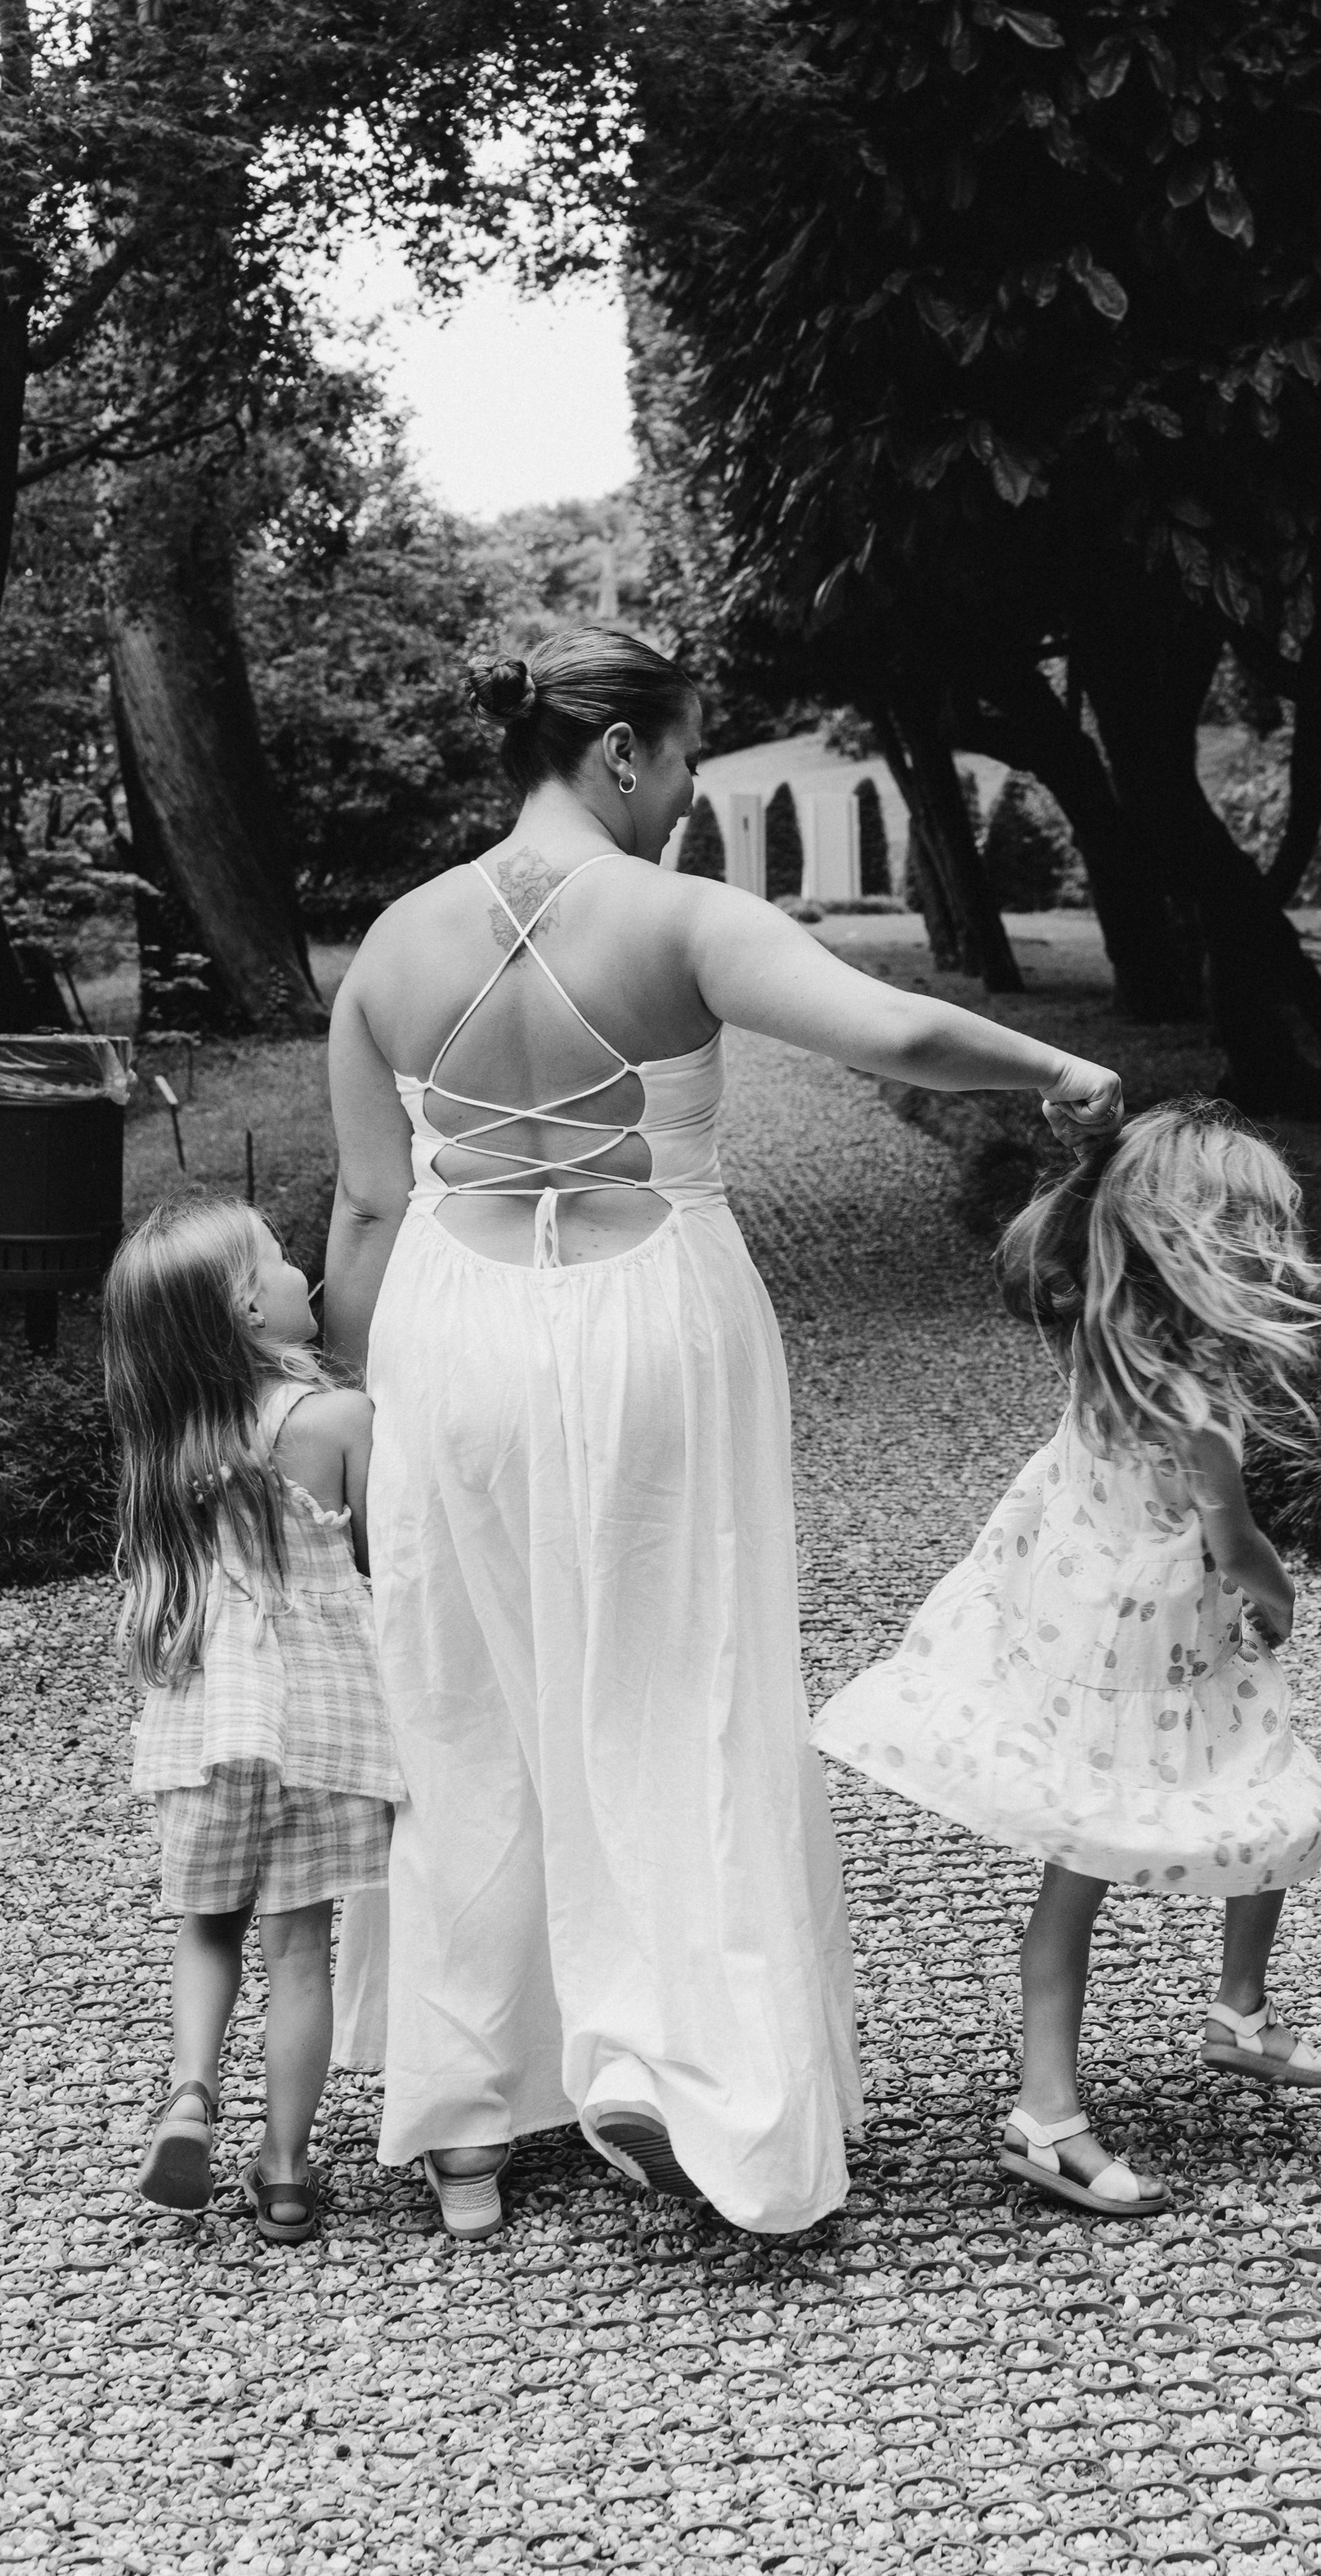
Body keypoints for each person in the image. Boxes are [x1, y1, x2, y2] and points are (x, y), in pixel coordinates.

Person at [323, 622, 1122, 2240]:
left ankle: (470, 2121)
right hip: (648, 1329)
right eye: (683, 756)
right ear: (617, 753)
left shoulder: (391, 947)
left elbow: (357, 1207)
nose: (686, 791)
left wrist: (356, 1446)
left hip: (446, 1336)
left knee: (465, 1694)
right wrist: (1057, 1068)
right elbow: (887, 1032)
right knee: (677, 1686)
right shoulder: (678, 917)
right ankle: (688, 2090)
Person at [814, 1098, 1321, 2217]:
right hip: (1151, 1661)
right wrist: (1281, 1599)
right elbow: (1236, 1544)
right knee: (1264, 1802)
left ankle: (1142, 2061)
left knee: (1095, 1856)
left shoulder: (1102, 1345)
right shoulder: (1199, 1401)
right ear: (1197, 1251)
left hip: (1082, 1629)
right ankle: (1100, 2085)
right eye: (1254, 1240)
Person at [106, 1200, 396, 2247]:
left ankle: (190, 2092)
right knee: (302, 1951)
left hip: (207, 1721)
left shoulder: (171, 1443)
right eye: (279, 1259)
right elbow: (380, 1562)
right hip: (324, 1722)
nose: (298, 1270)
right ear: (244, 1304)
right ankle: (282, 2171)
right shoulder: (335, 1424)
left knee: (208, 1927)